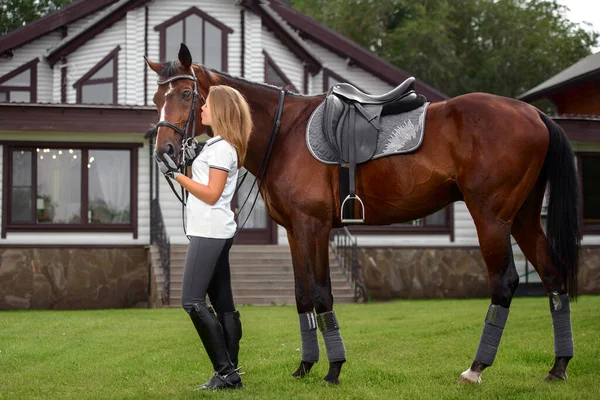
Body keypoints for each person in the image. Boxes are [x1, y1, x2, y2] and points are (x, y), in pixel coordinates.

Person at [156, 85, 252, 390]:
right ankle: (229, 372)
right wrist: (188, 162)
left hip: (210, 231)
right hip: (213, 230)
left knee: (192, 302)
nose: (202, 109)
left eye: (207, 104)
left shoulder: (223, 149)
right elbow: (205, 183)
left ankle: (226, 372)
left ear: (220, 110)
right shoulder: (215, 145)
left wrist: (175, 175)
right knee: (223, 304)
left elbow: (211, 194)